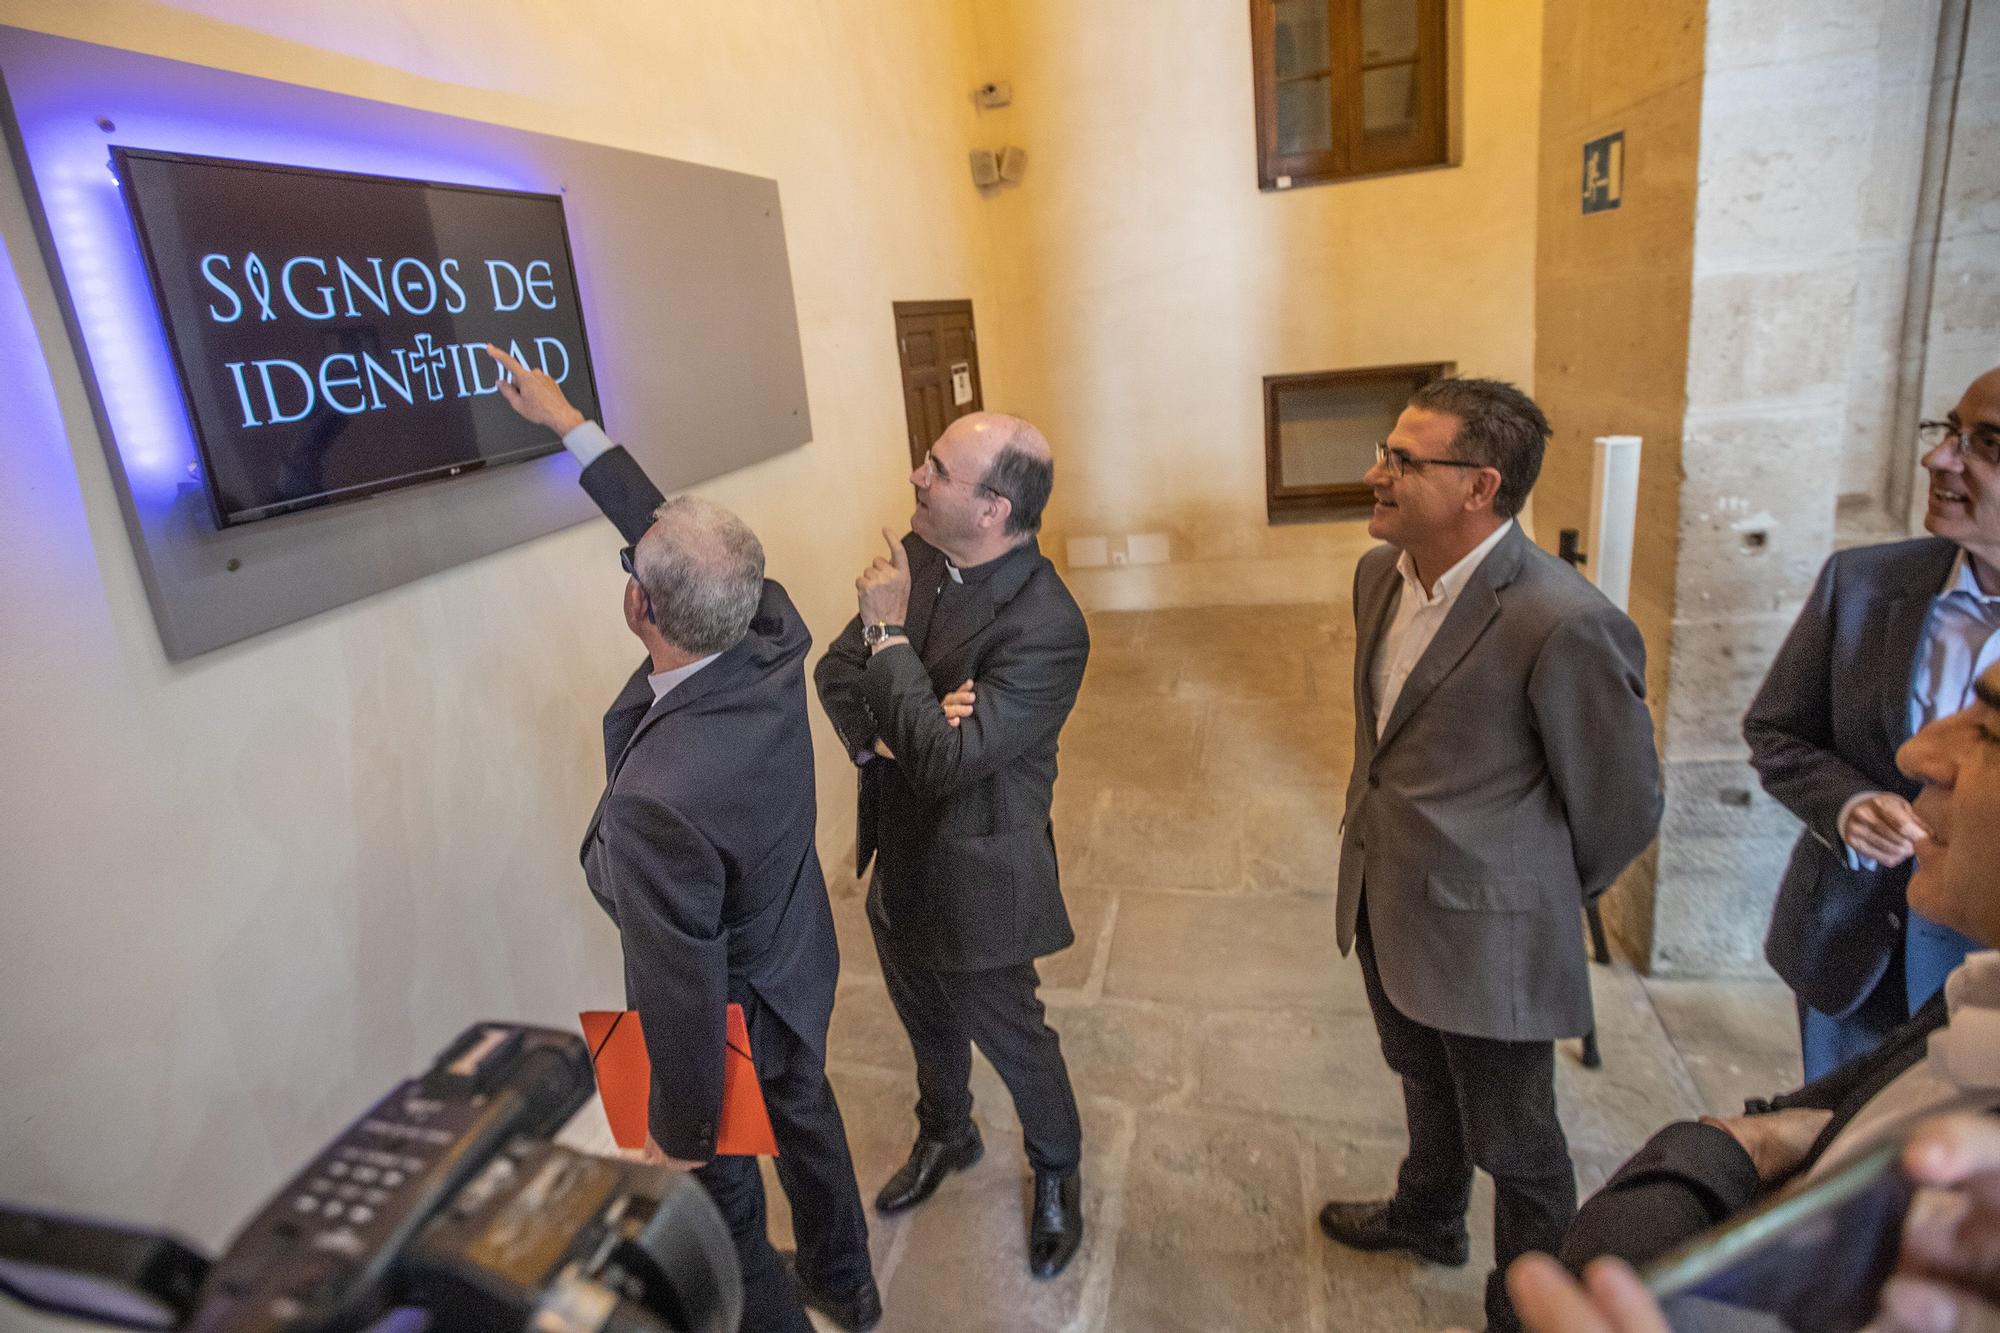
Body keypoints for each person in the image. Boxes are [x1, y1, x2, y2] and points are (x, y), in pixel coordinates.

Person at [486, 347, 880, 1333]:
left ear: (638, 606)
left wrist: (686, 1131)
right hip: (797, 954)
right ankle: (849, 1285)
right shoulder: (770, 626)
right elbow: (679, 551)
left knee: (727, 1215)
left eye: (635, 569)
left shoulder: (658, 799)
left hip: (731, 1005)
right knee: (810, 1120)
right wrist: (570, 421)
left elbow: (678, 984)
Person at [1317, 377, 1664, 1332]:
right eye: (1386, 451)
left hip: (1491, 933)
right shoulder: (1376, 577)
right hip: (1386, 893)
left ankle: (1524, 1309)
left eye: (1401, 459)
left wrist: (1529, 893)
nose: (1373, 473)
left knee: (1520, 1144)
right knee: (1421, 1075)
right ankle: (1429, 1213)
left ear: (1480, 485)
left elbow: (1624, 804)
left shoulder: (1561, 619)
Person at [1553, 658, 2000, 1293]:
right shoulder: (1975, 1004)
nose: (1918, 753)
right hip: (1847, 942)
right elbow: (1847, 1123)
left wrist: (1727, 1150)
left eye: (1990, 731)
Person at [813, 412, 1089, 1280]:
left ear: (993, 510)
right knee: (924, 1019)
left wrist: (890, 638)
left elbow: (946, 761)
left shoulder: (1046, 625)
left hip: (979, 873)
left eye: (937, 467)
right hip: (900, 853)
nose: (915, 475)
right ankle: (948, 1131)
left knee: (1015, 1037)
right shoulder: (920, 554)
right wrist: (905, 729)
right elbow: (834, 674)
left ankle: (1056, 1169)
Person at [1743, 366, 2000, 1081]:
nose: (1938, 458)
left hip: (1987, 965)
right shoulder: (1862, 583)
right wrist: (1848, 805)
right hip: (1855, 949)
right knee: (1837, 1152)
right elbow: (1777, 730)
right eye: (1949, 430)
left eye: (1988, 442)